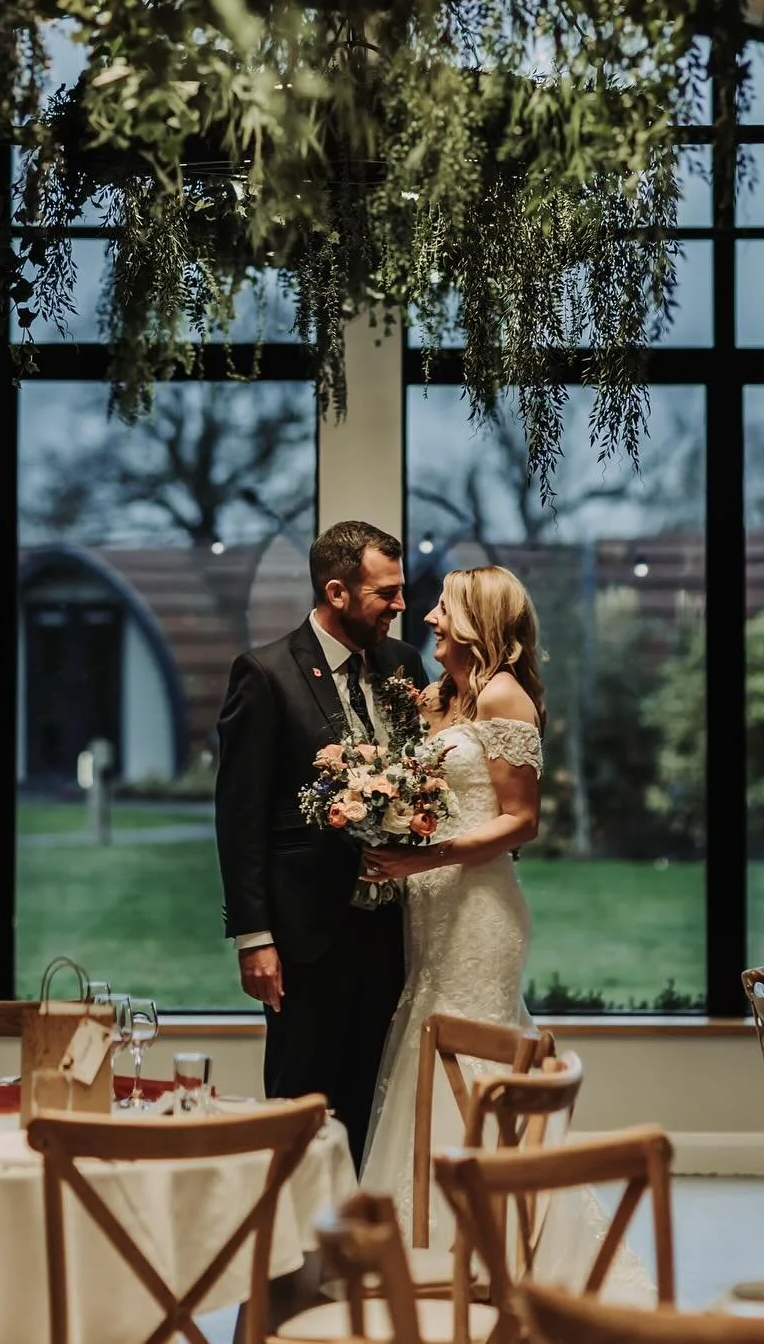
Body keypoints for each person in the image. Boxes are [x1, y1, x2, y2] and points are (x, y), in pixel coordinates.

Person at [357, 564, 652, 1303]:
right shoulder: (448, 697)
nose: (427, 617)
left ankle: (499, 1241)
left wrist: (430, 853)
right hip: (429, 906)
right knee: (425, 1044)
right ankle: (436, 1242)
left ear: (476, 620)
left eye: (443, 608)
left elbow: (523, 819)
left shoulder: (503, 694)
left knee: (473, 1052)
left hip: (479, 908)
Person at [214, 518, 428, 1169]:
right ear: (337, 592)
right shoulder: (265, 673)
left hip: (392, 929)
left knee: (374, 1099)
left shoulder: (403, 665)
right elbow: (239, 815)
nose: (400, 605)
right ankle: (288, 1252)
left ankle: (355, 1248)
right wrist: (255, 938)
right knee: (301, 1102)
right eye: (385, 593)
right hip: (306, 934)